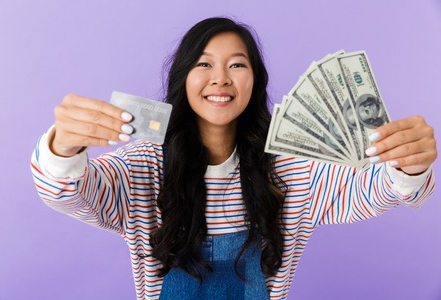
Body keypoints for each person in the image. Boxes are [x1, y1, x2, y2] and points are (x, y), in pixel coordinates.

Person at [30, 17, 437, 300]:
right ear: (183, 79)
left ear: (254, 80)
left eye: (237, 64)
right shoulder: (144, 166)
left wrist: (408, 165)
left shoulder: (291, 168)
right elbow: (71, 192)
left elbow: (372, 190)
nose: (220, 78)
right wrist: (64, 148)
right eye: (203, 63)